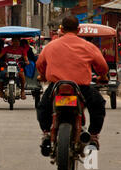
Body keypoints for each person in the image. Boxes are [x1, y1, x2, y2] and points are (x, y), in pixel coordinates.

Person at [36, 16, 108, 152]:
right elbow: (102, 66)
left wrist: (43, 75)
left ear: (61, 29)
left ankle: (46, 133)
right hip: (81, 88)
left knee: (43, 107)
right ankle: (93, 136)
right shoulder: (88, 46)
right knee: (98, 105)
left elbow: (40, 64)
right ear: (78, 29)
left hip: (57, 87)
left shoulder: (50, 46)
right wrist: (102, 76)